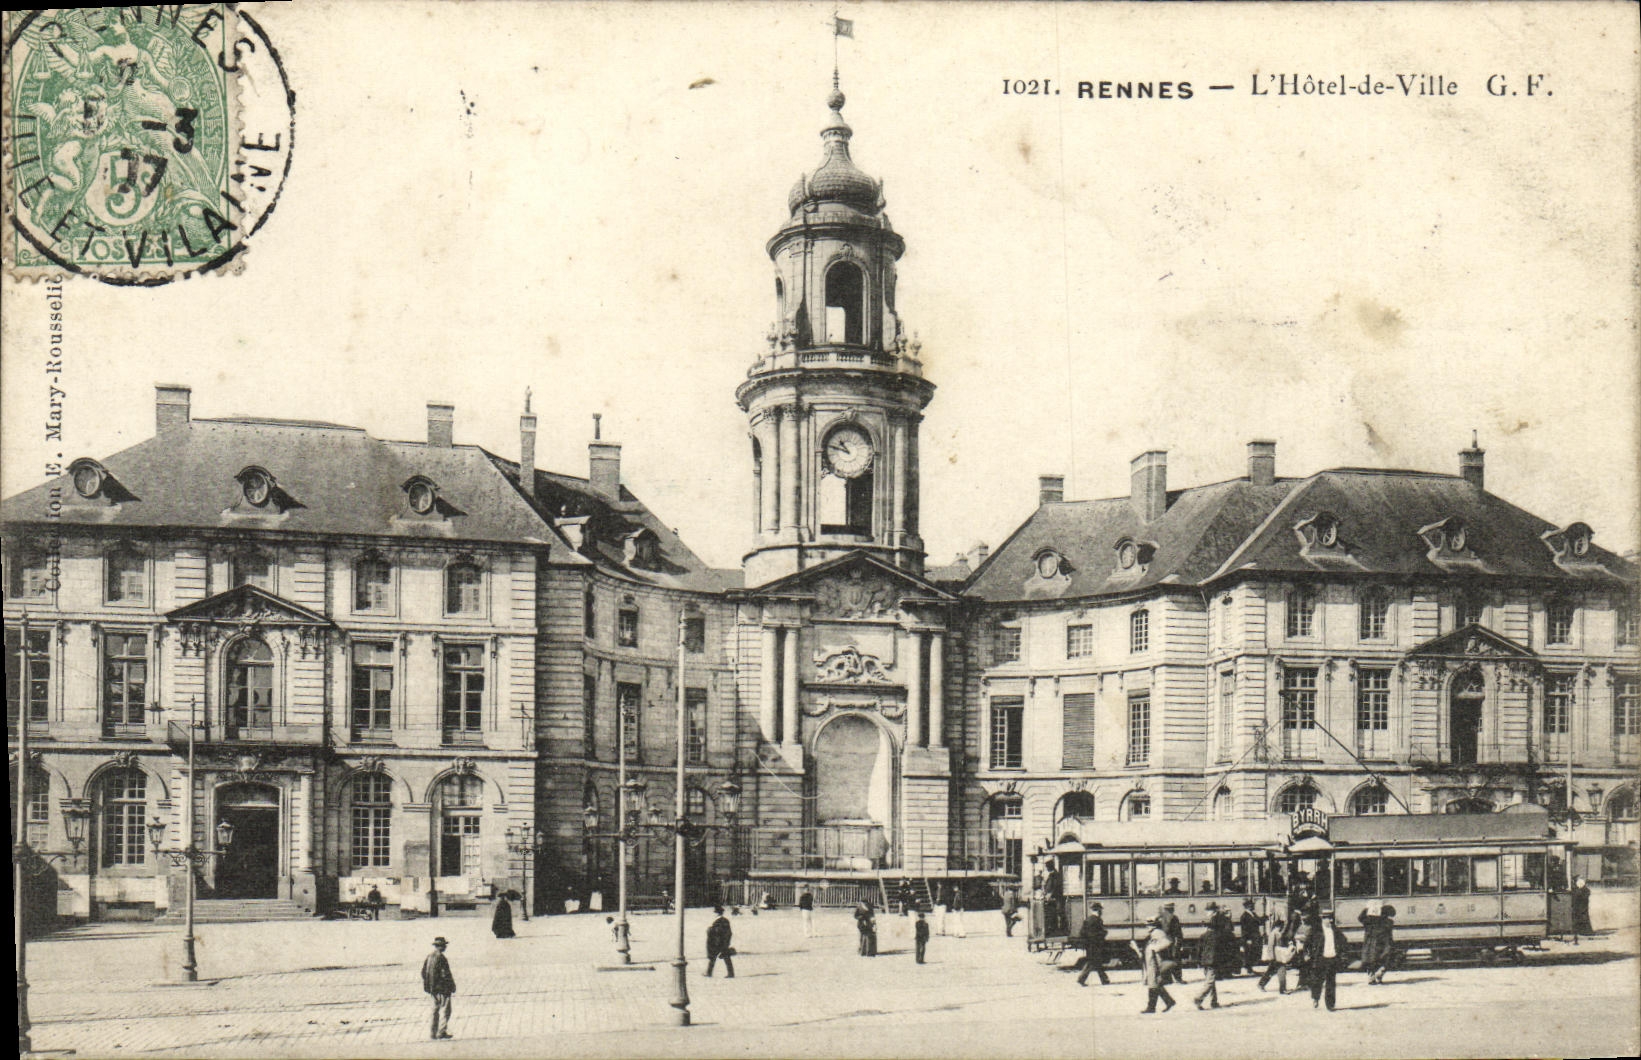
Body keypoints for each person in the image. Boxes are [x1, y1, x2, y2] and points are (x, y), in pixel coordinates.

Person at [1306, 911, 1347, 1011]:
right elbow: (1307, 943)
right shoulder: (1316, 930)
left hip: (1332, 959)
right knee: (1317, 981)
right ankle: (1316, 998)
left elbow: (1344, 940)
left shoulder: (1335, 930)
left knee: (1331, 982)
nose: (1329, 920)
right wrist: (1307, 954)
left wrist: (1340, 952)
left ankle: (1330, 1004)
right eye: (1326, 918)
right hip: (1320, 959)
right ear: (1323, 919)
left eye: (1330, 918)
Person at [1194, 902, 1232, 1009]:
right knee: (1210, 981)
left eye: (1208, 910)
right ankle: (1198, 998)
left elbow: (1199, 949)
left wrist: (1198, 960)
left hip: (1206, 959)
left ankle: (1213, 1002)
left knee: (1210, 980)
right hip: (1213, 959)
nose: (1206, 912)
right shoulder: (1216, 934)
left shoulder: (1206, 933)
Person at [421, 936, 455, 1041]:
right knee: (445, 1010)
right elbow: (445, 974)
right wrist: (451, 986)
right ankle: (441, 1032)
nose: (445, 947)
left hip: (432, 989)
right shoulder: (441, 958)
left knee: (434, 1010)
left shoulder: (429, 957)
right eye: (444, 945)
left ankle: (433, 1033)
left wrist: (428, 985)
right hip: (442, 988)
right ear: (441, 946)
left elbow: (423, 973)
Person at [1141, 917, 1178, 1014]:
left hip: (1155, 962)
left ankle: (1151, 1007)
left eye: (1149, 925)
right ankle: (1169, 1002)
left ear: (1154, 925)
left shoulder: (1157, 932)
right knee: (1156, 983)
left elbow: (1167, 942)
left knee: (1153, 984)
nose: (1147, 927)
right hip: (1152, 962)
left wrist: (1156, 948)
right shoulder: (1154, 933)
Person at [1358, 904, 1396, 984]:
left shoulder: (1369, 922)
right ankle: (1380, 973)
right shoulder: (1389, 922)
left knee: (1370, 961)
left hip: (1371, 944)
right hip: (1383, 944)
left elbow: (1360, 918)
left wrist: (1367, 909)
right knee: (1384, 960)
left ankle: (1371, 977)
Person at [1075, 902, 1109, 986]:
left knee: (1097, 963)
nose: (1101, 912)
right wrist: (1103, 933)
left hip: (1089, 945)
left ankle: (1104, 980)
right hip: (1095, 945)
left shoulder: (1088, 920)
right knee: (1092, 963)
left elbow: (1082, 933)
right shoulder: (1097, 920)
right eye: (1100, 910)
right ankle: (1081, 979)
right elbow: (1097, 934)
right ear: (1098, 910)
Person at [1158, 903, 1186, 983]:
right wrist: (1179, 943)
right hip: (1172, 942)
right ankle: (1178, 978)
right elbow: (1178, 933)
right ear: (1171, 909)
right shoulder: (1174, 918)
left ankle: (1166, 979)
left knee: (1165, 960)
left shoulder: (1160, 918)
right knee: (1176, 960)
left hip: (1163, 942)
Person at [704, 905, 735, 977]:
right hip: (723, 942)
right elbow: (729, 933)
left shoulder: (718, 921)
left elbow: (717, 932)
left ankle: (709, 973)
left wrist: (710, 930)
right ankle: (731, 973)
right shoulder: (725, 920)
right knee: (726, 958)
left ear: (717, 913)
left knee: (713, 958)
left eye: (714, 912)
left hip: (717, 943)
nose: (713, 914)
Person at [1239, 899, 1264, 974]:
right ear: (1247, 906)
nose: (1253, 906)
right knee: (1248, 953)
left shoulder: (1253, 914)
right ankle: (1248, 969)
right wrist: (1247, 939)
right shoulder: (1244, 916)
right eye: (1251, 905)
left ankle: (1250, 968)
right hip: (1249, 938)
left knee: (1253, 952)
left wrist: (1265, 917)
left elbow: (1259, 921)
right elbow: (1244, 929)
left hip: (1255, 937)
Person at [1570, 877, 1593, 942]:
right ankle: (1583, 931)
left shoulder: (1580, 890)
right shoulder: (1585, 890)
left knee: (1582, 917)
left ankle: (1583, 931)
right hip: (1582, 906)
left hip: (1581, 906)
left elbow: (1577, 896)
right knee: (1582, 917)